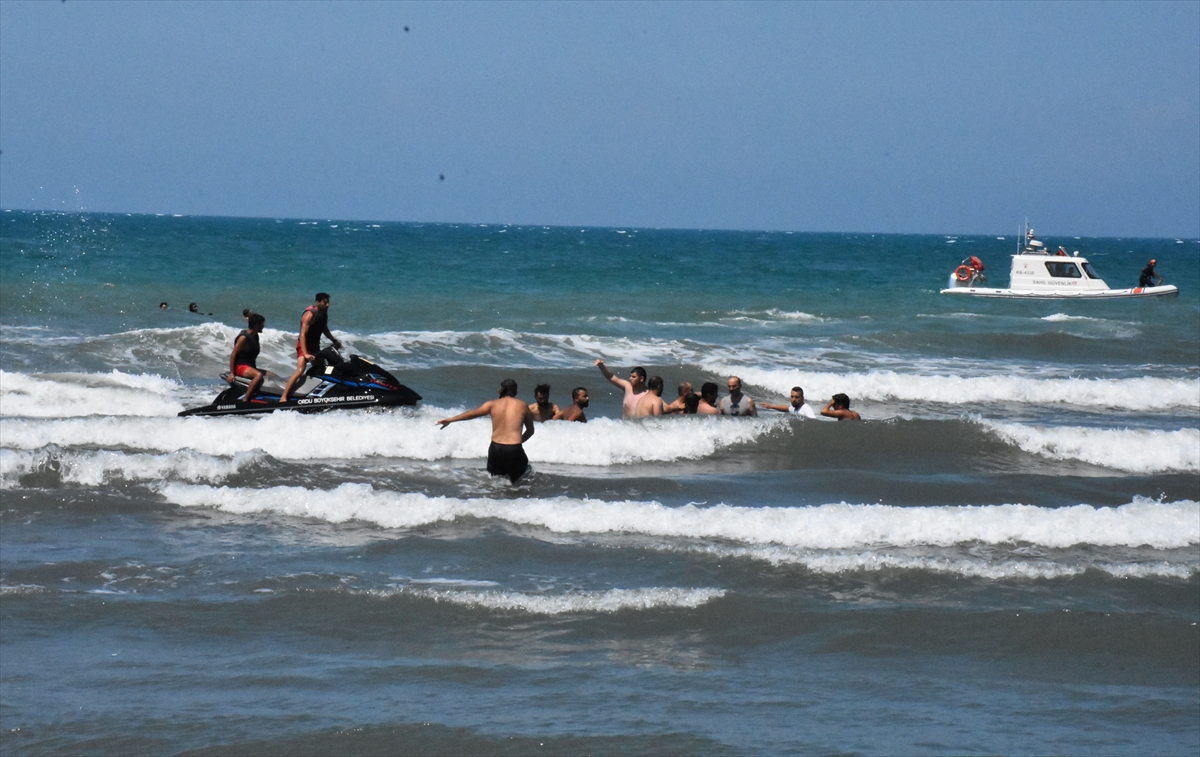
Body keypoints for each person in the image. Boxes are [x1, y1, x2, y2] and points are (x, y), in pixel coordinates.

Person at [436, 378, 535, 484]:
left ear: (499, 390)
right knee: (522, 478)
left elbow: (473, 413)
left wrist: (450, 420)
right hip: (514, 448)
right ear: (516, 392)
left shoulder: (492, 404)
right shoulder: (522, 405)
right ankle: (519, 500)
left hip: (496, 448)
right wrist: (516, 443)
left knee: (496, 482)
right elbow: (530, 431)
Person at [280, 292, 342, 403]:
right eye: (325, 303)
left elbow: (324, 329)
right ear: (317, 302)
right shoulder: (309, 315)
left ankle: (317, 394)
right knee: (300, 370)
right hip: (303, 345)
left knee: (322, 369)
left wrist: (333, 340)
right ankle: (283, 397)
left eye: (328, 303)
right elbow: (303, 334)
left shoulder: (324, 314)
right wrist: (305, 353)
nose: (327, 305)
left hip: (314, 345)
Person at [227, 313, 271, 402]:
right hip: (240, 367)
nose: (263, 326)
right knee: (258, 375)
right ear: (256, 325)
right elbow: (233, 354)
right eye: (262, 324)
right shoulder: (243, 337)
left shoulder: (255, 336)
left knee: (272, 376)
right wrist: (232, 373)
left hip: (249, 367)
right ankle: (246, 399)